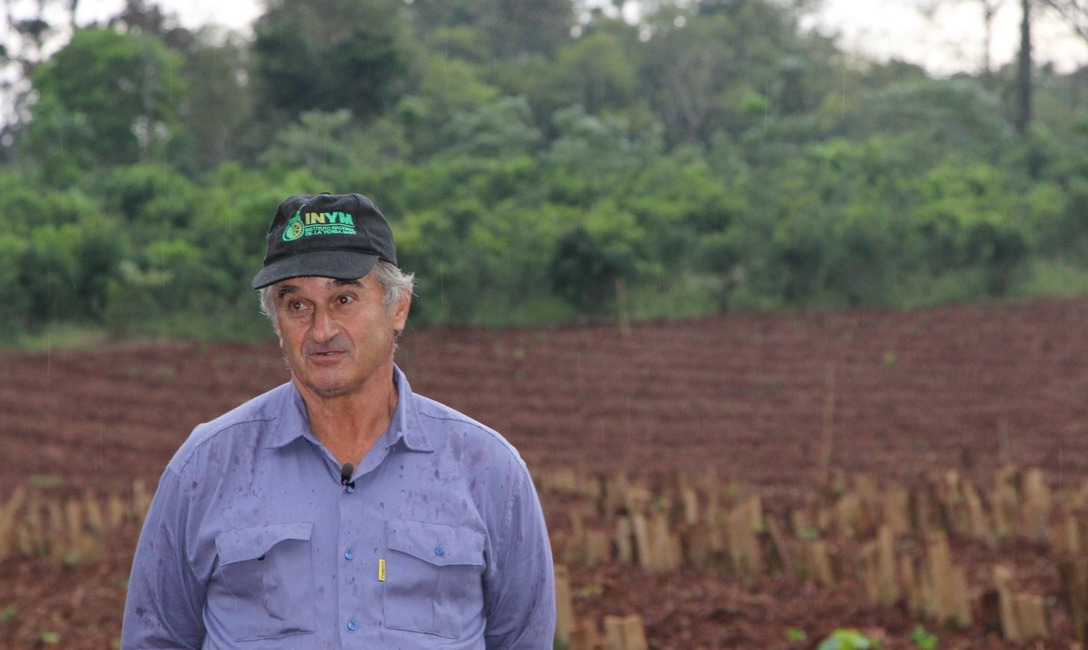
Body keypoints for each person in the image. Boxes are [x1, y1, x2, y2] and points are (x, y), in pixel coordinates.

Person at [121, 192, 556, 649]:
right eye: (297, 306)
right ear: (276, 322)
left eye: (344, 298)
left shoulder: (488, 470)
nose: (322, 329)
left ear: (398, 308)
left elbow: (523, 638)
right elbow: (156, 638)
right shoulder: (204, 468)